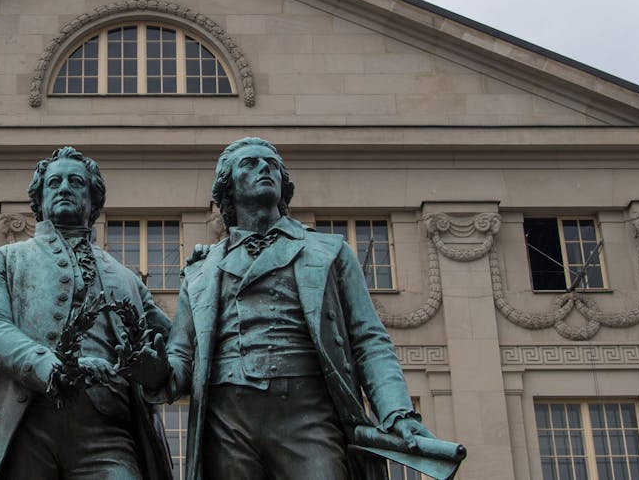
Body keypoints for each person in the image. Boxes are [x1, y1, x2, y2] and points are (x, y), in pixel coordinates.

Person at [150, 137, 434, 480]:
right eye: (250, 164)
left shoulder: (329, 250)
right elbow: (180, 358)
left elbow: (369, 340)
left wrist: (398, 412)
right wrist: (153, 371)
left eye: (272, 164)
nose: (264, 168)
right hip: (226, 423)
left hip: (307, 414)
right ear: (228, 188)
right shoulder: (201, 270)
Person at [0, 147, 174, 480]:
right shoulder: (2, 261)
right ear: (40, 199)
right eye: (54, 182)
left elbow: (176, 346)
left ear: (93, 200)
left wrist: (158, 371)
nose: (64, 188)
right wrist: (48, 367)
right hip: (25, 423)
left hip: (108, 431)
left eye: (75, 182)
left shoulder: (127, 279)